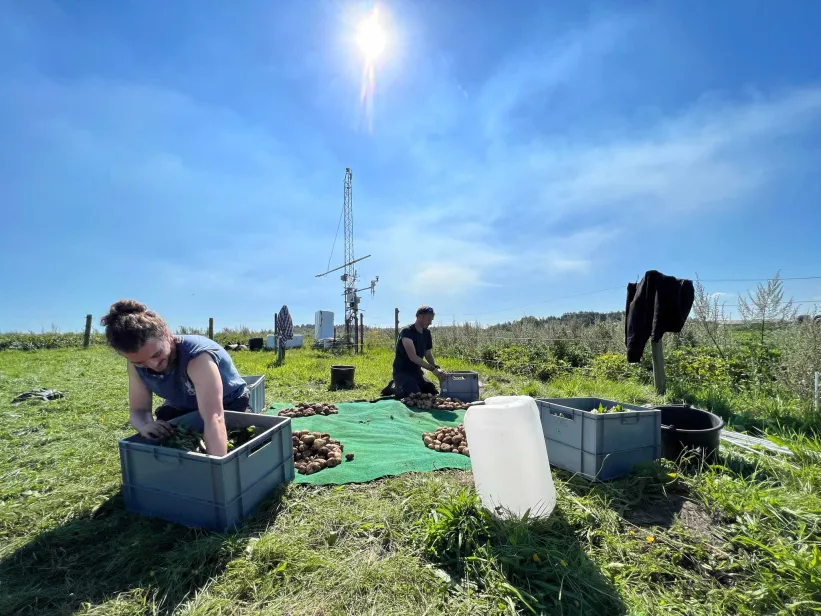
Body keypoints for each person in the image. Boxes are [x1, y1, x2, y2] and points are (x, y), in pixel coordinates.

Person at [100, 299, 251, 456]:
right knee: (166, 433)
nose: (153, 365)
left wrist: (216, 465)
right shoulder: (135, 364)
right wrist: (145, 425)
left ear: (166, 334)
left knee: (241, 438)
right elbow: (139, 410)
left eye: (157, 354)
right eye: (140, 362)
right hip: (183, 405)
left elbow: (214, 417)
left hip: (229, 403)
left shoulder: (197, 357)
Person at [392, 305, 446, 398]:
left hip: (416, 372)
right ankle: (395, 385)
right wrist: (432, 370)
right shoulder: (407, 332)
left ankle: (403, 385)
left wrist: (436, 367)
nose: (430, 323)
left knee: (432, 391)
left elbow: (428, 354)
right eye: (429, 319)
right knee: (414, 395)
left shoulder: (427, 333)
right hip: (402, 372)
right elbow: (413, 357)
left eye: (432, 319)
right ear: (419, 317)